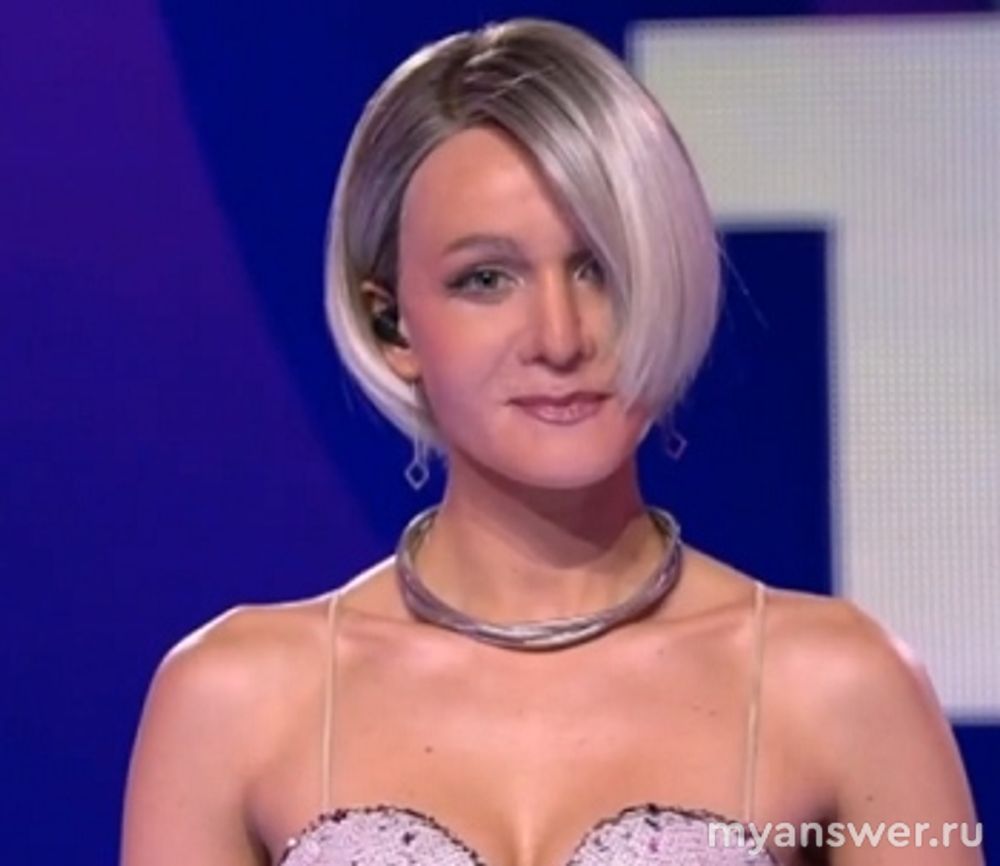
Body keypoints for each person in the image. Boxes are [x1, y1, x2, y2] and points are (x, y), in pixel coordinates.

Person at [121, 17, 982, 866]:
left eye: (598, 267)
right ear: (392, 323)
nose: (560, 338)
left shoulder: (844, 690)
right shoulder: (232, 703)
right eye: (486, 279)